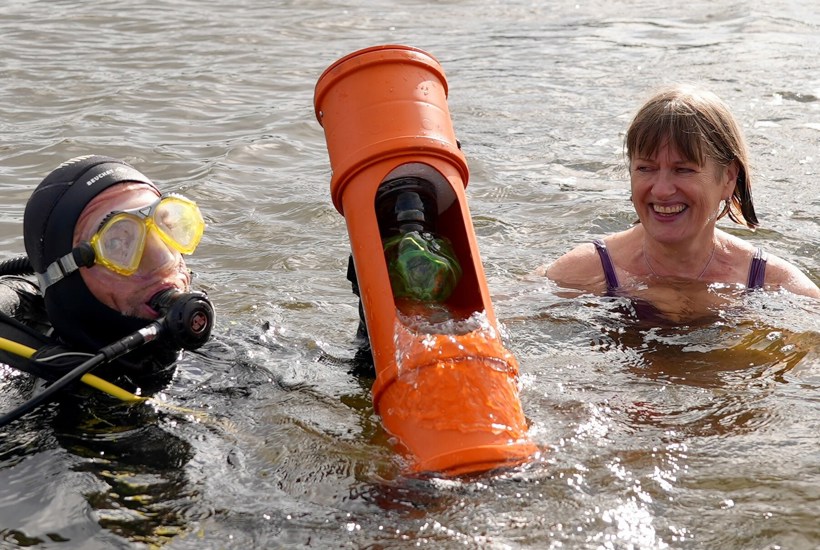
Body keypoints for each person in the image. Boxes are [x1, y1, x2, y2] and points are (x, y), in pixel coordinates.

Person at [542, 85, 820, 306]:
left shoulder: (773, 285)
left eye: (683, 170)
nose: (661, 190)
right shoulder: (586, 272)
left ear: (728, 178)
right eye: (646, 168)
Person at [0, 154, 210, 394]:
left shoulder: (229, 353)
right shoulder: (34, 401)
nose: (161, 259)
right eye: (117, 244)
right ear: (69, 279)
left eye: (166, 228)